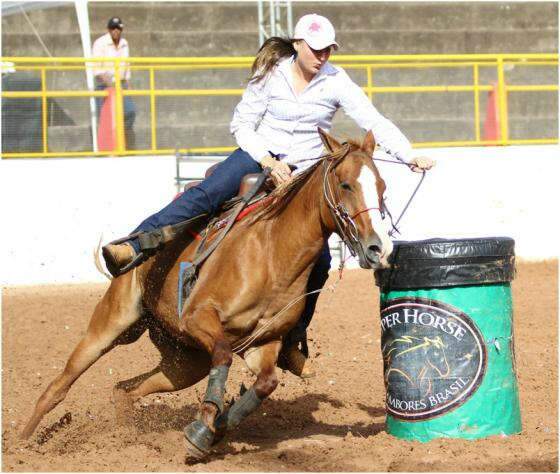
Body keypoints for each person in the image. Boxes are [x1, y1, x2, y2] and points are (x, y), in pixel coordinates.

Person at [102, 14, 434, 378]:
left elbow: (373, 120)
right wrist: (266, 159)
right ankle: (135, 244)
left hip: (304, 172)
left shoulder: (337, 80)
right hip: (259, 155)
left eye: (328, 50)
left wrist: (408, 153)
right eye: (316, 49)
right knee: (207, 194)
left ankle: (291, 337)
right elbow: (242, 123)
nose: (322, 57)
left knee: (319, 259)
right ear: (298, 45)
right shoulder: (272, 73)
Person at [92, 16, 136, 149]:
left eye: (118, 28)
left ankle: (119, 140)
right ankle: (108, 148)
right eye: (113, 28)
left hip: (121, 83)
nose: (116, 31)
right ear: (108, 29)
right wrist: (110, 85)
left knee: (130, 111)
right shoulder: (100, 43)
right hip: (105, 85)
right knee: (106, 118)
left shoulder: (124, 43)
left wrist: (128, 84)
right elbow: (97, 69)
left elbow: (126, 65)